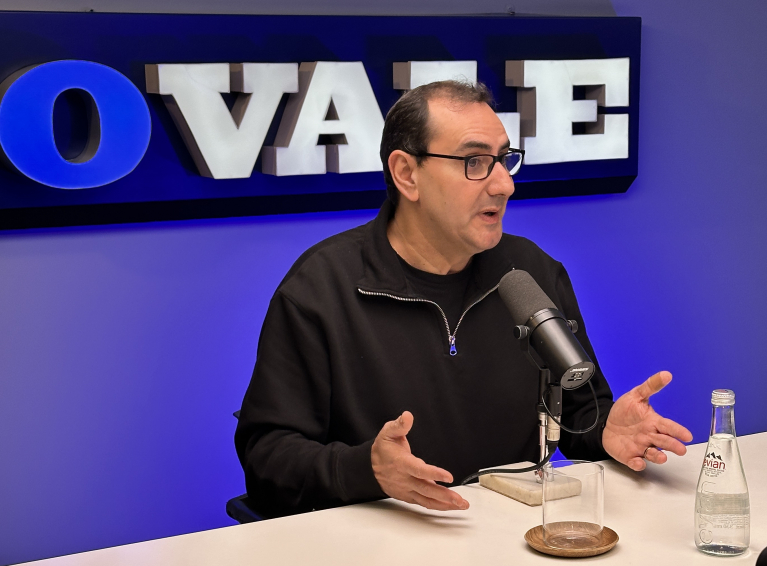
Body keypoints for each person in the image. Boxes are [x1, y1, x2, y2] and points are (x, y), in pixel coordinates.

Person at [235, 80, 693, 517]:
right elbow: (267, 456)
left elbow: (579, 416)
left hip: (512, 536)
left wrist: (607, 430)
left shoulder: (530, 273)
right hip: (379, 542)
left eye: (504, 160)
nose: (504, 185)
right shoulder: (322, 289)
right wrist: (365, 470)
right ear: (406, 174)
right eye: (475, 162)